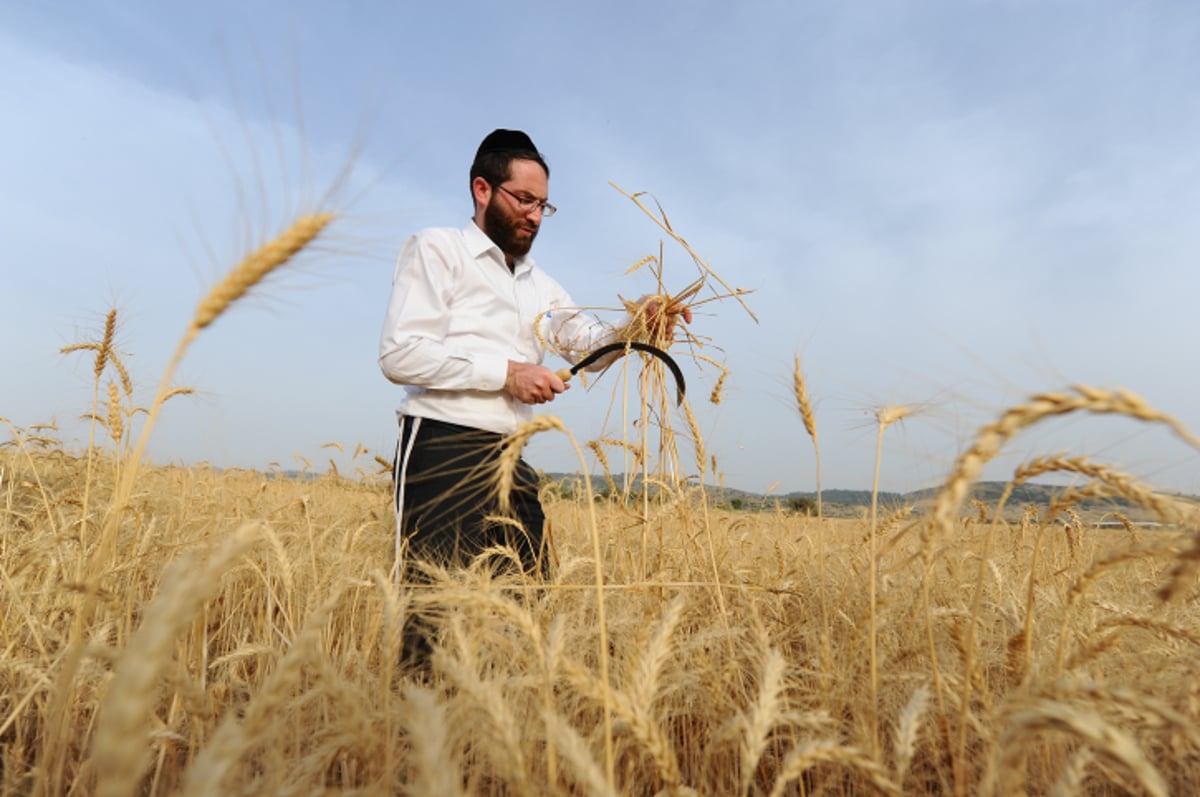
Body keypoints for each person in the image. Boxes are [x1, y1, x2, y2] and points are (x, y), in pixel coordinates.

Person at [379, 129, 688, 605]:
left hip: (510, 456)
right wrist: (508, 373)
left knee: (527, 607)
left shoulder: (540, 284)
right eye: (524, 199)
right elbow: (401, 353)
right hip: (442, 446)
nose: (535, 216)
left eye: (544, 205)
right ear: (482, 190)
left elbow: (589, 346)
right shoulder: (437, 248)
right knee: (433, 613)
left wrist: (638, 324)